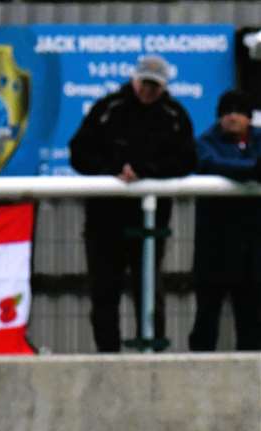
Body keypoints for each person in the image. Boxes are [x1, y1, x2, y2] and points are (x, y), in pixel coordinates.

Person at [68, 55, 197, 352]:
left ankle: (151, 356)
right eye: (144, 84)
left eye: (155, 86)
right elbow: (79, 153)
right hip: (104, 220)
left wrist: (146, 170)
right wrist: (113, 169)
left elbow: (187, 159)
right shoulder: (108, 109)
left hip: (150, 224)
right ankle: (107, 357)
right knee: (104, 292)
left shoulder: (174, 115)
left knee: (149, 292)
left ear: (164, 87)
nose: (148, 92)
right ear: (133, 79)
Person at [188, 90, 260, 352]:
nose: (231, 117)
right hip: (214, 245)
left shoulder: (258, 140)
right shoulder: (206, 142)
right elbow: (210, 164)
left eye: (238, 112)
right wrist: (252, 171)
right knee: (206, 317)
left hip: (251, 247)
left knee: (251, 317)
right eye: (226, 112)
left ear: (249, 118)